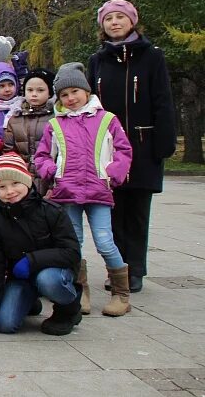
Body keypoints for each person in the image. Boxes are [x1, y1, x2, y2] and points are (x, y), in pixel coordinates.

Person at [88, 0, 176, 293]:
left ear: (132, 21)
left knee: (137, 210)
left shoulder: (151, 57)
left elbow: (163, 101)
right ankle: (118, 269)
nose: (114, 22)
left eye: (120, 17)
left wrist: (163, 143)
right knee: (112, 211)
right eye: (109, 18)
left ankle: (135, 269)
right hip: (107, 148)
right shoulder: (98, 60)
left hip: (142, 144)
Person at [35, 63, 133, 317]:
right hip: (67, 192)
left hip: (99, 190)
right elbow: (43, 154)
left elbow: (123, 150)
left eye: (75, 92)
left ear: (86, 91)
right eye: (64, 95)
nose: (70, 99)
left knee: (104, 241)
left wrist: (113, 174)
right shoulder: (55, 124)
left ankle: (121, 292)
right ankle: (81, 289)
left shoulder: (107, 119)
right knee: (74, 241)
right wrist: (50, 172)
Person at [0, 153, 83, 336]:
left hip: (55, 272)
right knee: (4, 324)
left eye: (15, 183)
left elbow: (72, 252)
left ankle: (68, 310)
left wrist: (31, 260)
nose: (9, 191)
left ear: (26, 181)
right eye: (2, 187)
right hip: (22, 279)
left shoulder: (52, 211)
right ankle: (30, 301)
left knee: (47, 280)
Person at [4, 68, 55, 194]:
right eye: (30, 90)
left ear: (49, 92)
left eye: (40, 90)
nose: (34, 94)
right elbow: (8, 150)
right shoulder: (15, 118)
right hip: (23, 176)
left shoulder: (56, 118)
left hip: (49, 176)